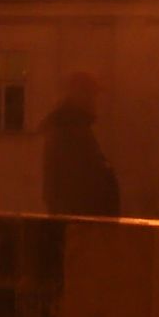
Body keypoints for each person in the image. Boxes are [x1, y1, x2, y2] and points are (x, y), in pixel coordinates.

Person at [41, 70, 123, 217]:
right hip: (81, 220)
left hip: (80, 219)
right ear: (80, 95)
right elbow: (79, 182)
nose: (95, 101)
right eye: (91, 95)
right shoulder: (70, 130)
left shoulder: (71, 127)